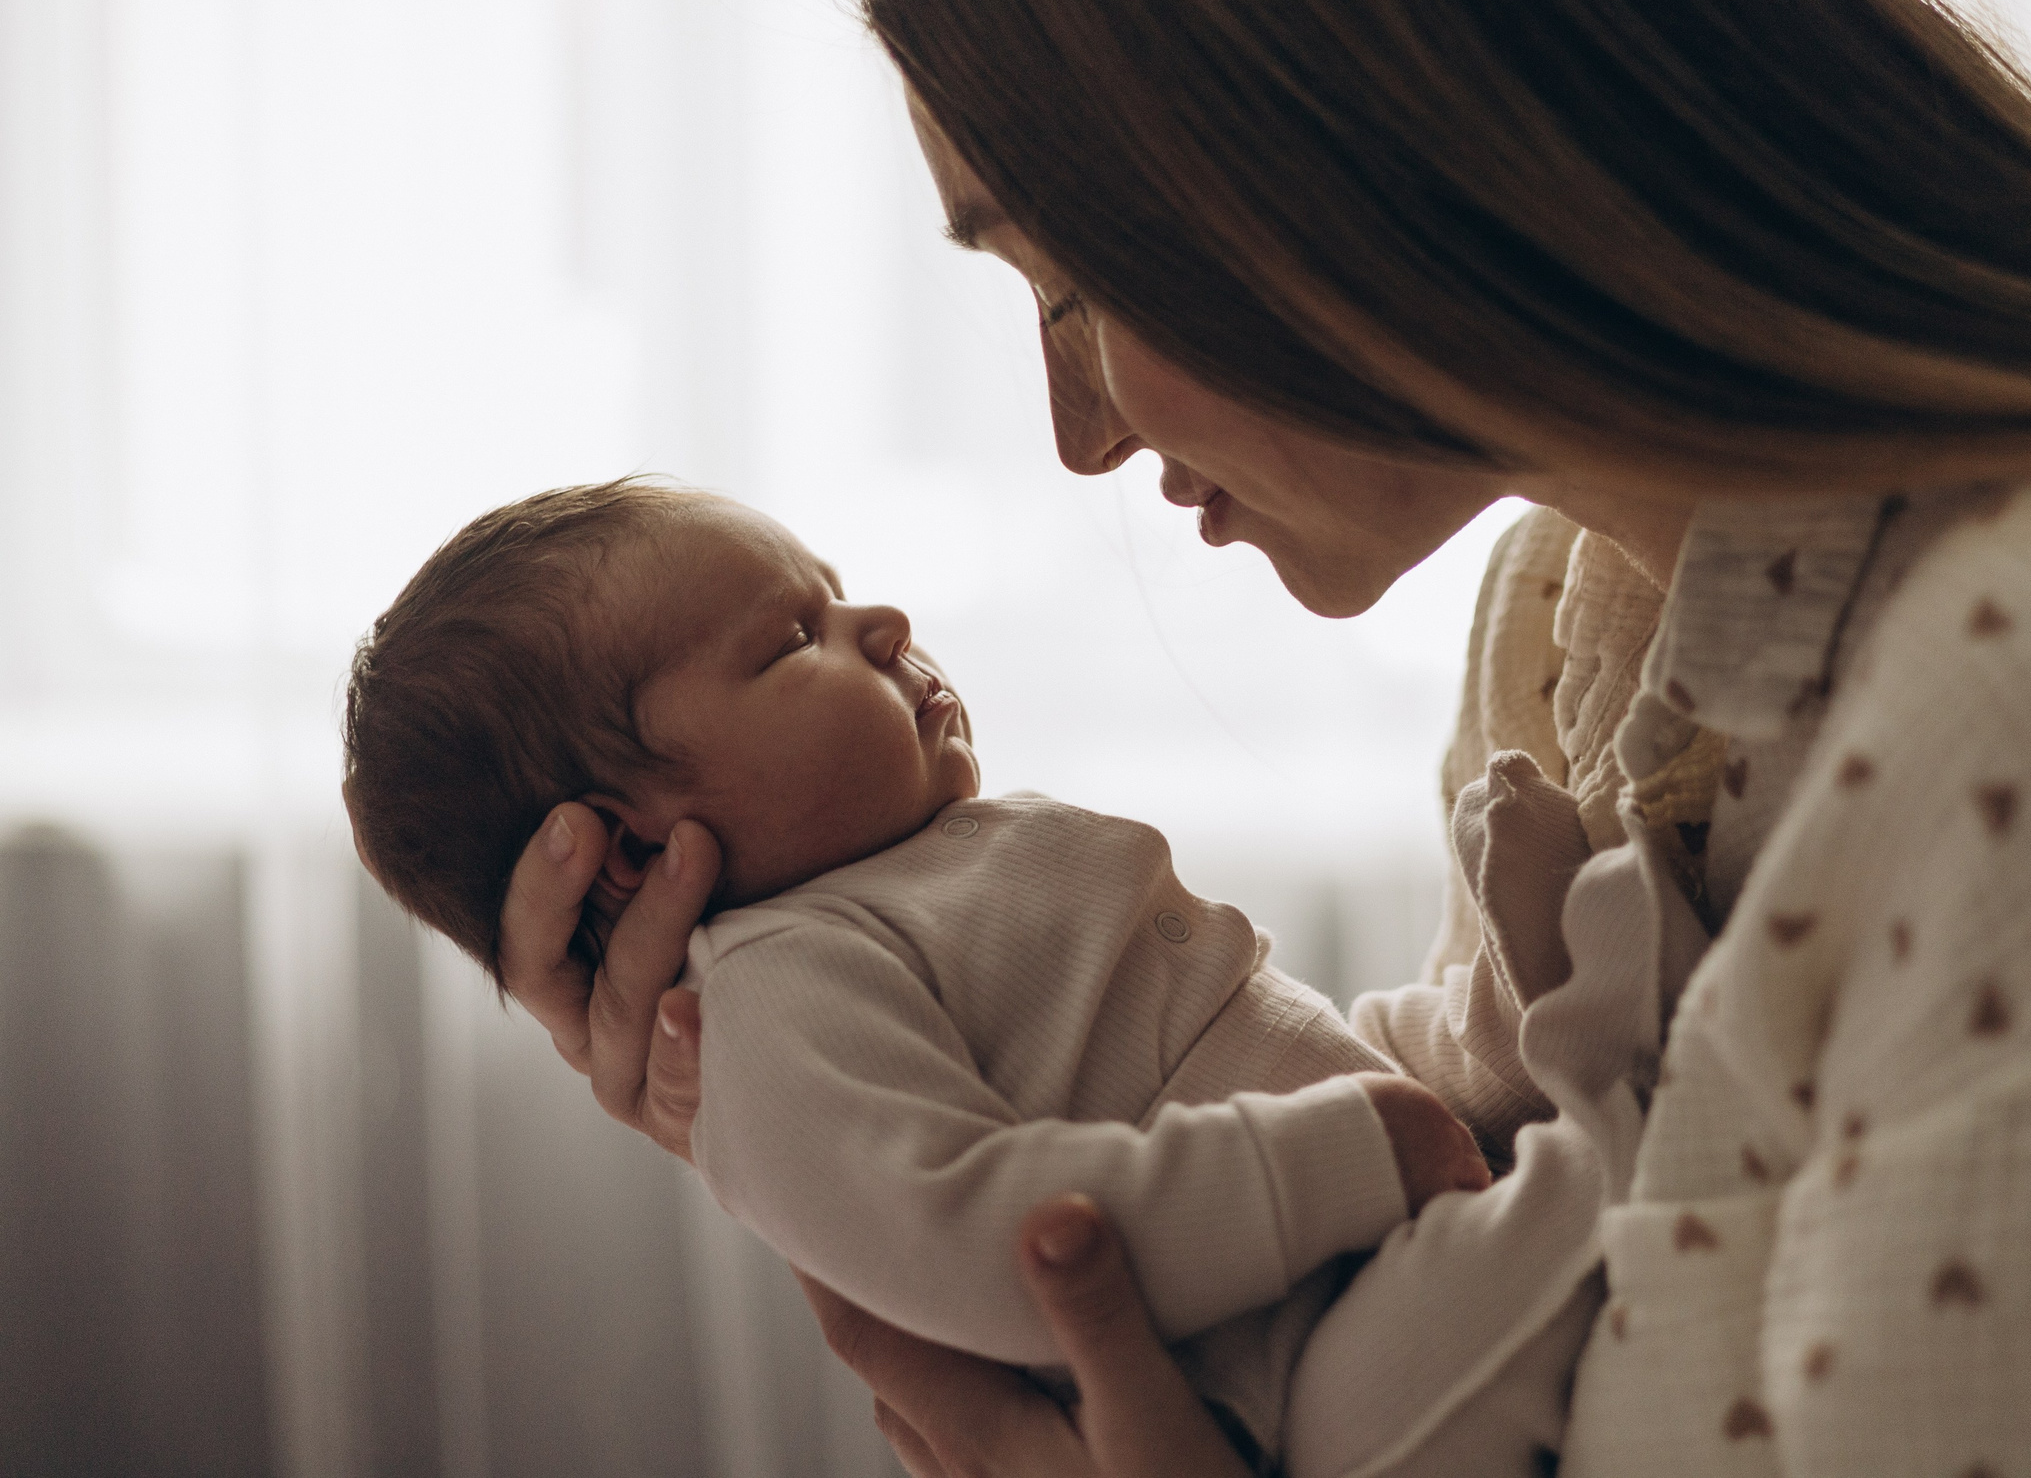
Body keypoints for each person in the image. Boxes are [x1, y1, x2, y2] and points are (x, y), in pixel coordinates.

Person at [490, 0, 2031, 1472]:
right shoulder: (1591, 609)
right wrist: (800, 1069)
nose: (1077, 433)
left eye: (1078, 283)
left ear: (1344, 142)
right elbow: (1475, 1129)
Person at [345, 479, 1648, 1475]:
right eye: (793, 636)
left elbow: (1232, 1041)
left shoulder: (912, 879)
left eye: (838, 590)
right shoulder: (768, 999)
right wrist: (1339, 1160)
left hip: (1345, 1236)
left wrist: (1398, 1101)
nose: (882, 623)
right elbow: (981, 1241)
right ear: (630, 849)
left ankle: (1579, 1007)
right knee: (1583, 1224)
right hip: (1298, 1383)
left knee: (1483, 1058)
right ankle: (1659, 1135)